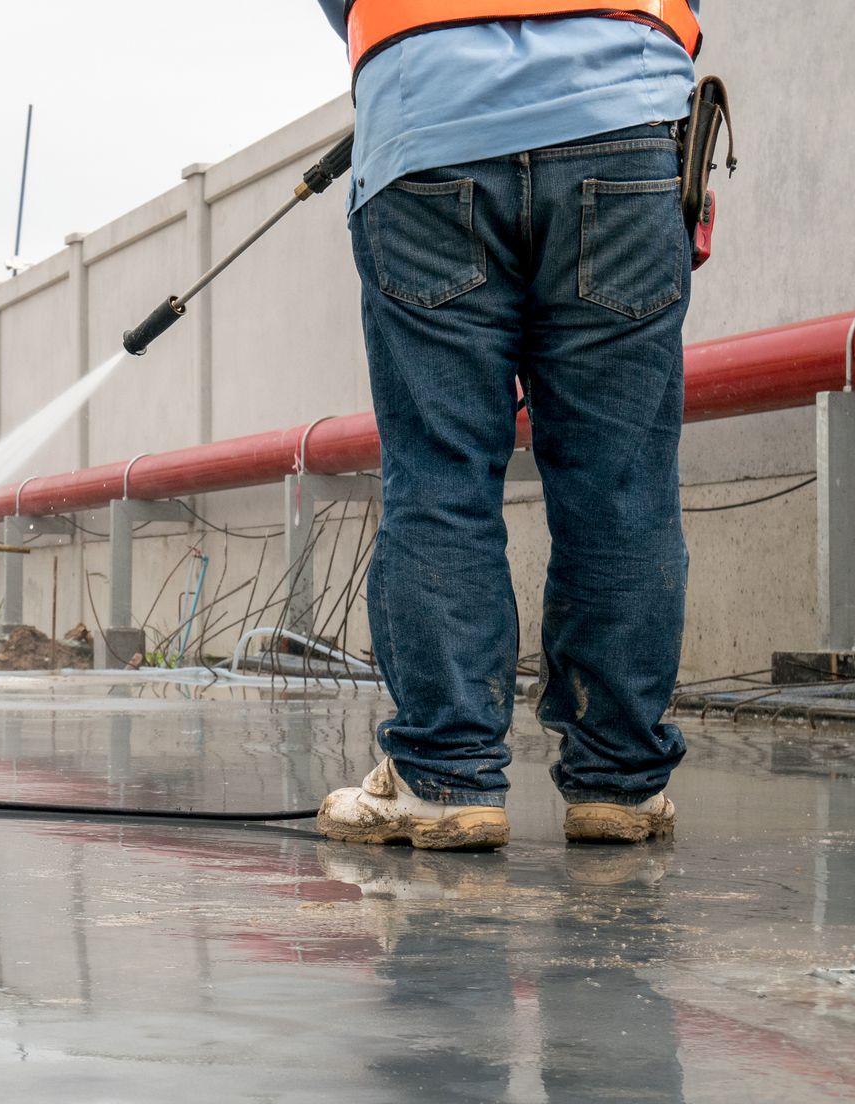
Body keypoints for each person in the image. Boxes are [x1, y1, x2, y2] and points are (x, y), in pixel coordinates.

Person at [312, 1, 702, 849]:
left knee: (440, 476)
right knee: (622, 482)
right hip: (622, 117)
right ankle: (619, 783)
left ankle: (447, 777)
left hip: (428, 126)